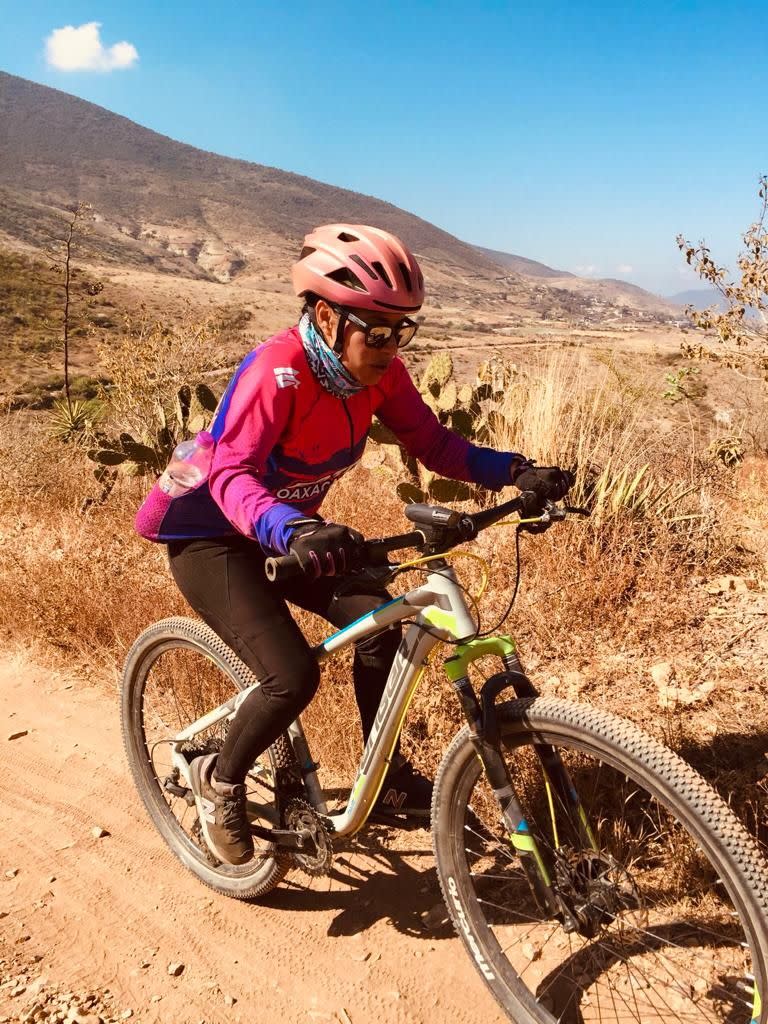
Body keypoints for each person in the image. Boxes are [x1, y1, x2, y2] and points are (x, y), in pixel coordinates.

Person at [135, 223, 572, 865]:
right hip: (211, 537)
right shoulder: (275, 371)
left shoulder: (379, 378)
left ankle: (387, 780)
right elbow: (230, 474)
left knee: (381, 628)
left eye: (403, 330)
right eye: (377, 329)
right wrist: (295, 527)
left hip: (292, 533)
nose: (391, 347)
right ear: (325, 315)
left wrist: (514, 470)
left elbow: (436, 445)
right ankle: (218, 780)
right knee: (291, 675)